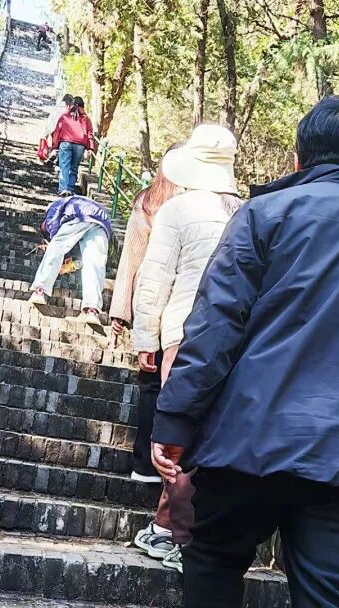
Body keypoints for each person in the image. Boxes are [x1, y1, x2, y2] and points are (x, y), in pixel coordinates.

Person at [151, 96, 339, 607]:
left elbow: (214, 328)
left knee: (214, 565)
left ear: (297, 160)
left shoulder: (262, 217)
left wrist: (175, 423)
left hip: (248, 444)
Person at [130, 125, 243, 574]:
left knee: (177, 440)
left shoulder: (176, 209)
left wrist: (146, 339)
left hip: (184, 333)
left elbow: (155, 278)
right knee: (210, 437)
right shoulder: (252, 212)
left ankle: (172, 533)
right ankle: (175, 528)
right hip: (238, 342)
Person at [109, 145, 182, 485]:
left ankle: (145, 464)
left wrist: (121, 315)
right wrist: (119, 313)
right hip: (179, 307)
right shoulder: (165, 205)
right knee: (164, 384)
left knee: (151, 382)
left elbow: (130, 262)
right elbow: (131, 260)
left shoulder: (149, 203)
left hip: (151, 304)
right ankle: (162, 464)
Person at [29, 194, 111, 325]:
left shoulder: (51, 212)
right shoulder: (68, 202)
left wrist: (52, 246)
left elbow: (57, 241)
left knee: (56, 247)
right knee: (95, 263)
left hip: (81, 213)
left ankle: (40, 290)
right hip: (103, 219)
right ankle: (92, 309)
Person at [50, 96, 95, 196]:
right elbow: (90, 134)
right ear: (83, 107)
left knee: (64, 166)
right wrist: (90, 148)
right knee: (74, 168)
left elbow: (57, 132)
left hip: (65, 143)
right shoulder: (86, 119)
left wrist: (54, 147)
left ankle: (63, 189)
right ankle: (70, 189)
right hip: (80, 146)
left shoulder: (64, 116)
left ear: (71, 105)